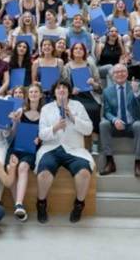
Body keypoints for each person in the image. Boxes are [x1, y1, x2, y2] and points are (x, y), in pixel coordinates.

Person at [36, 81, 94, 224]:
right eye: (58, 88)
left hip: (74, 150)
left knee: (84, 173)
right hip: (51, 148)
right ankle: (41, 204)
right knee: (44, 174)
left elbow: (89, 129)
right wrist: (54, 128)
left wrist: (73, 118)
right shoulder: (46, 108)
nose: (61, 90)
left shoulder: (78, 106)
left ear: (69, 91)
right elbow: (42, 134)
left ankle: (79, 205)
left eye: (64, 88)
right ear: (54, 92)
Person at [99, 64, 140, 177]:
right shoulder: (107, 91)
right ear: (112, 76)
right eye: (117, 72)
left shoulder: (136, 85)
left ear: (127, 73)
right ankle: (110, 161)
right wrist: (115, 120)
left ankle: (138, 162)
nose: (120, 74)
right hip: (116, 126)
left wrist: (136, 92)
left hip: (132, 124)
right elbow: (106, 112)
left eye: (122, 71)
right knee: (103, 124)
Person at [5, 83, 44, 222]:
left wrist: (40, 138)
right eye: (31, 92)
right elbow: (12, 134)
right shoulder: (20, 111)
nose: (33, 94)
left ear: (40, 95)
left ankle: (18, 204)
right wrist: (15, 122)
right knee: (10, 167)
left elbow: (46, 133)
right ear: (28, 95)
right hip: (16, 147)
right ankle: (19, 206)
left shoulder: (44, 113)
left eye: (36, 92)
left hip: (31, 149)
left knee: (23, 167)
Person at [62, 43, 103, 155]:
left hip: (90, 96)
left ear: (85, 51)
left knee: (94, 109)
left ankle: (94, 143)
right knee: (74, 111)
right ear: (72, 51)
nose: (78, 50)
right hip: (74, 97)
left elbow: (100, 87)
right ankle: (78, 143)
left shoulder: (90, 65)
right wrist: (71, 91)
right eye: (75, 48)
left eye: (81, 48)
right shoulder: (67, 67)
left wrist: (93, 83)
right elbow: (64, 87)